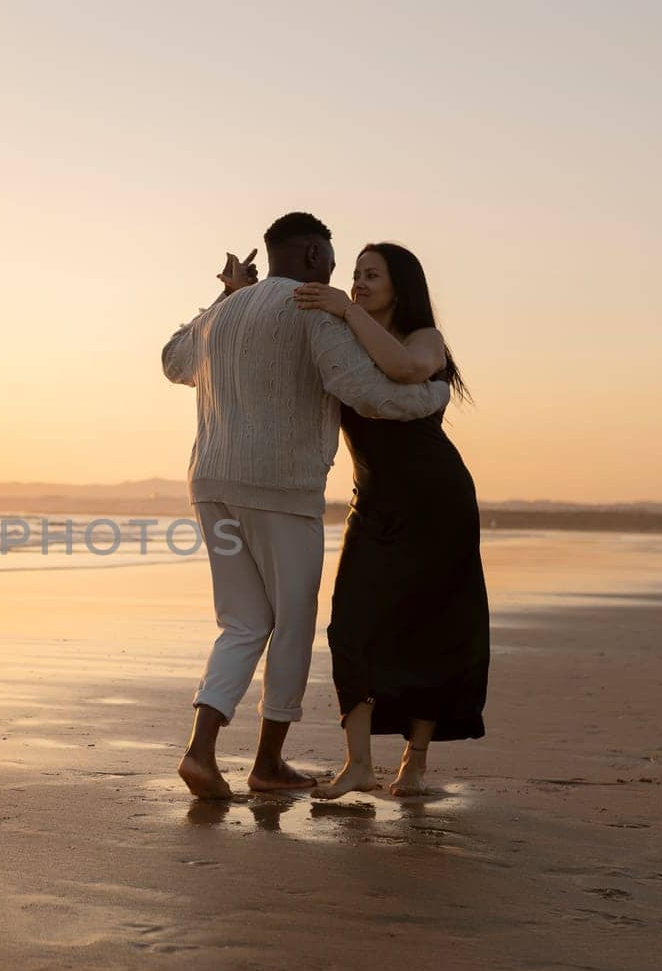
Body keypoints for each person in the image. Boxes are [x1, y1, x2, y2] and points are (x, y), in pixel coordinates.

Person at [161, 213, 451, 799]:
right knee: (290, 623)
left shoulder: (223, 312)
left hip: (210, 485)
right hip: (281, 492)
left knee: (241, 623)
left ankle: (201, 752)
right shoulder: (314, 308)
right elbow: (367, 395)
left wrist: (224, 295)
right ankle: (267, 764)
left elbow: (173, 361)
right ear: (316, 255)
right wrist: (435, 393)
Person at [294, 243, 489, 798]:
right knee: (350, 625)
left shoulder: (422, 338)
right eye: (354, 276)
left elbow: (405, 369)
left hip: (437, 502)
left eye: (371, 275)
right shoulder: (342, 340)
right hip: (374, 504)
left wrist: (345, 309)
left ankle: (415, 764)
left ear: (400, 285)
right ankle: (358, 764)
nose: (358, 283)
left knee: (432, 628)